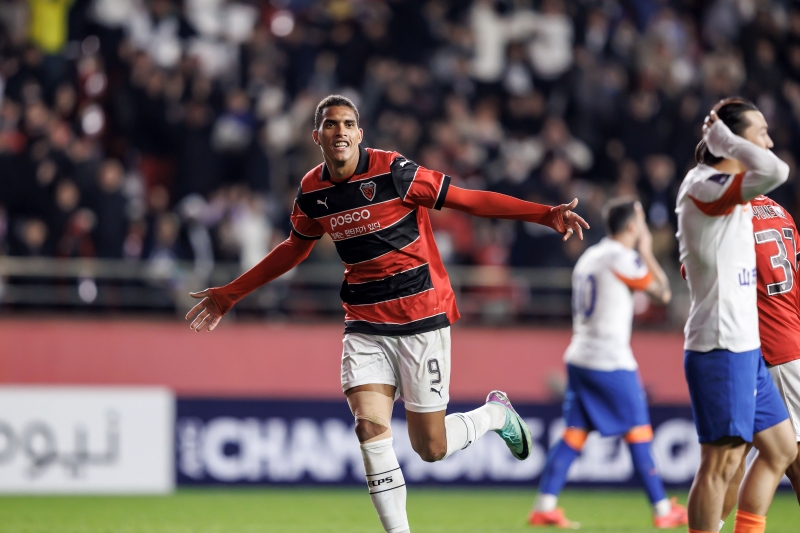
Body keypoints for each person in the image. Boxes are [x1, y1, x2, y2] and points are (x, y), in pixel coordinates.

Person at [184, 94, 589, 533]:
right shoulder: (313, 192)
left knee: (430, 448)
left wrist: (545, 214)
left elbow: (469, 200)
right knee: (369, 428)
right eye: (330, 124)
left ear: (359, 133)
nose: (339, 131)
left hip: (422, 317)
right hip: (364, 323)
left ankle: (495, 415)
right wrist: (230, 294)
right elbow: (294, 249)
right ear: (316, 135)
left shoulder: (395, 172)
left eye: (347, 123)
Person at [528, 198, 687, 529]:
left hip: (579, 357)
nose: (644, 227)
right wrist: (646, 250)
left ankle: (544, 505)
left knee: (574, 433)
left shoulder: (592, 254)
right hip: (610, 361)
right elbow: (664, 295)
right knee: (639, 432)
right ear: (632, 226)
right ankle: (662, 511)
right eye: (641, 221)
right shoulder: (622, 257)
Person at [676, 97, 796, 533]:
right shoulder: (703, 184)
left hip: (747, 349)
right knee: (719, 464)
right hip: (720, 345)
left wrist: (732, 145)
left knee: (781, 449)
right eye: (760, 132)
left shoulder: (739, 192)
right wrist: (723, 141)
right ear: (732, 139)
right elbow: (778, 171)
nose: (768, 140)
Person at [714, 194, 800, 530]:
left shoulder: (729, 213)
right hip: (783, 345)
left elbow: (696, 272)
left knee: (733, 461)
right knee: (738, 459)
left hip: (764, 351)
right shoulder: (781, 212)